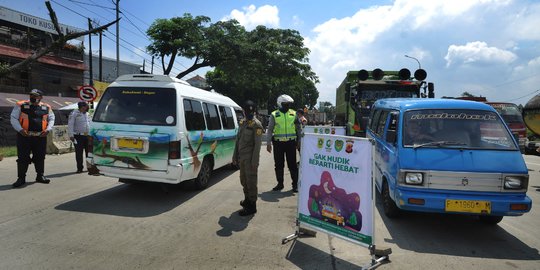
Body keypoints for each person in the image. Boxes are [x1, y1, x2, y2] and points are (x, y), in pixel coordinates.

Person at [10, 89, 55, 188]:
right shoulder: (21, 105)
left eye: (36, 96)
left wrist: (48, 129)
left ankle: (40, 176)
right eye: (31, 95)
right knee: (23, 157)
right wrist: (20, 129)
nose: (33, 97)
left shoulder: (46, 107)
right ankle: (21, 178)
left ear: (41, 97)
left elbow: (51, 118)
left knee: (40, 157)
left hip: (40, 136)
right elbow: (13, 118)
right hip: (24, 136)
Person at [232, 100, 263, 216]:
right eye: (247, 111)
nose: (249, 114)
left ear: (254, 112)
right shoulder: (243, 123)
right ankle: (247, 200)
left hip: (250, 159)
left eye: (251, 111)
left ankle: (252, 206)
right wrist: (235, 156)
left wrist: (255, 162)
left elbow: (258, 145)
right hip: (242, 158)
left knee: (251, 182)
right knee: (243, 180)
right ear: (244, 112)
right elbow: (238, 140)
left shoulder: (257, 125)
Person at [266, 94, 300, 192]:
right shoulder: (274, 114)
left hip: (291, 143)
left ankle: (295, 185)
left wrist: (299, 141)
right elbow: (270, 129)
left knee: (292, 164)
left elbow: (298, 129)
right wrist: (268, 143)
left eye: (289, 104)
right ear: (280, 104)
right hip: (278, 144)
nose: (288, 106)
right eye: (285, 104)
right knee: (279, 165)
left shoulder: (294, 114)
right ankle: (280, 184)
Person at [68, 101, 90, 173]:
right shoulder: (74, 114)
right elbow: (70, 125)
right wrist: (71, 135)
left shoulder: (87, 114)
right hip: (78, 136)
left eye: (86, 107)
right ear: (81, 107)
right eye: (84, 107)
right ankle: (80, 168)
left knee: (89, 153)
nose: (85, 108)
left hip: (87, 136)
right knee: (79, 153)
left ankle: (89, 167)